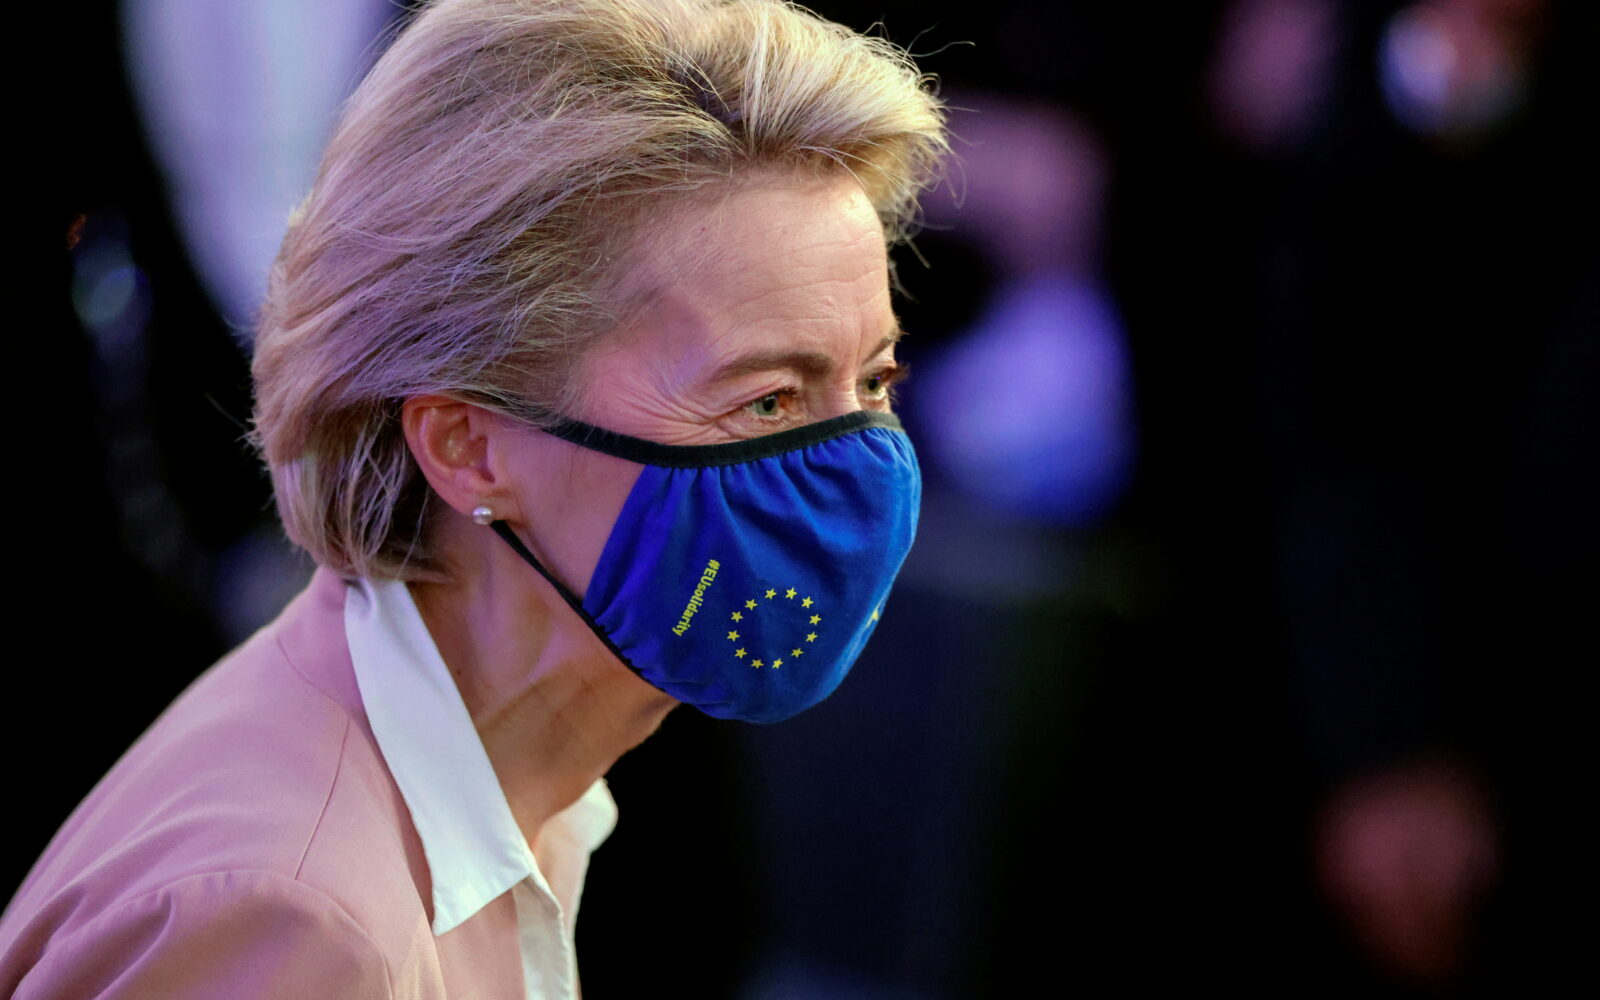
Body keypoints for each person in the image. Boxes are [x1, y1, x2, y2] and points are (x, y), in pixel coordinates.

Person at [0, 0, 948, 996]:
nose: (854, 473)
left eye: (874, 381)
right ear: (467, 446)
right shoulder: (304, 927)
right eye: (768, 399)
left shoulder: (525, 795)